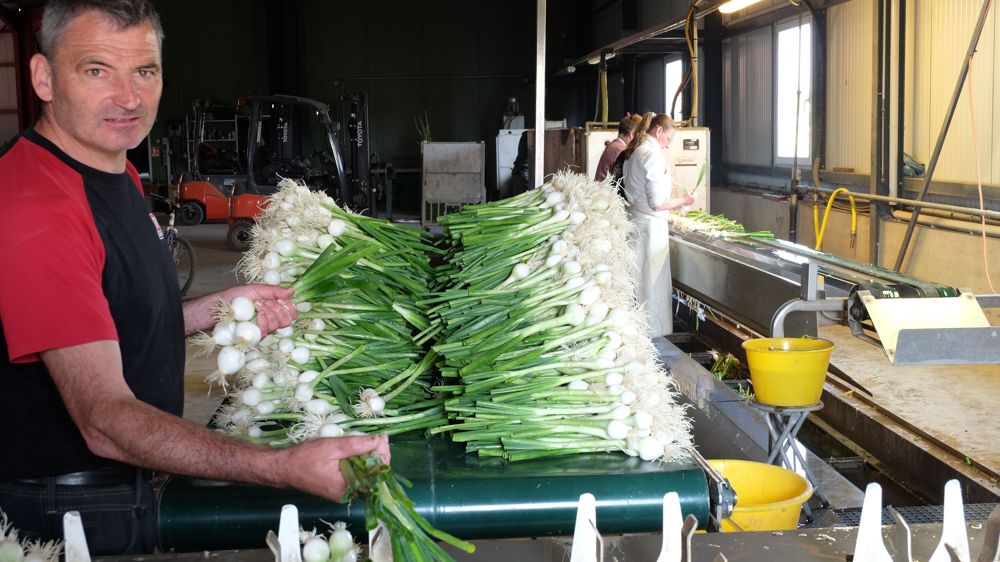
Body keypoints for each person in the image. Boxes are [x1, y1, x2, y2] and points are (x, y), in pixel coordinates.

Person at [0, 0, 388, 554]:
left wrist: (213, 310)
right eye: (97, 71)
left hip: (124, 482)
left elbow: (107, 320)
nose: (129, 98)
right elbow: (103, 419)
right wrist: (279, 465)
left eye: (145, 71)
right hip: (66, 507)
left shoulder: (116, 170)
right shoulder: (34, 202)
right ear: (43, 77)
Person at [620, 112, 695, 338]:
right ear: (658, 130)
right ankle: (654, 337)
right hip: (650, 231)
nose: (669, 145)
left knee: (638, 283)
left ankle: (636, 333)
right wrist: (684, 201)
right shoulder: (651, 156)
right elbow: (657, 204)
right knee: (652, 286)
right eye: (669, 139)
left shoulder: (634, 152)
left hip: (636, 224)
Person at [595, 113, 642, 182]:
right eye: (639, 134)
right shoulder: (620, 149)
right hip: (607, 187)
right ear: (632, 133)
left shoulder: (615, 145)